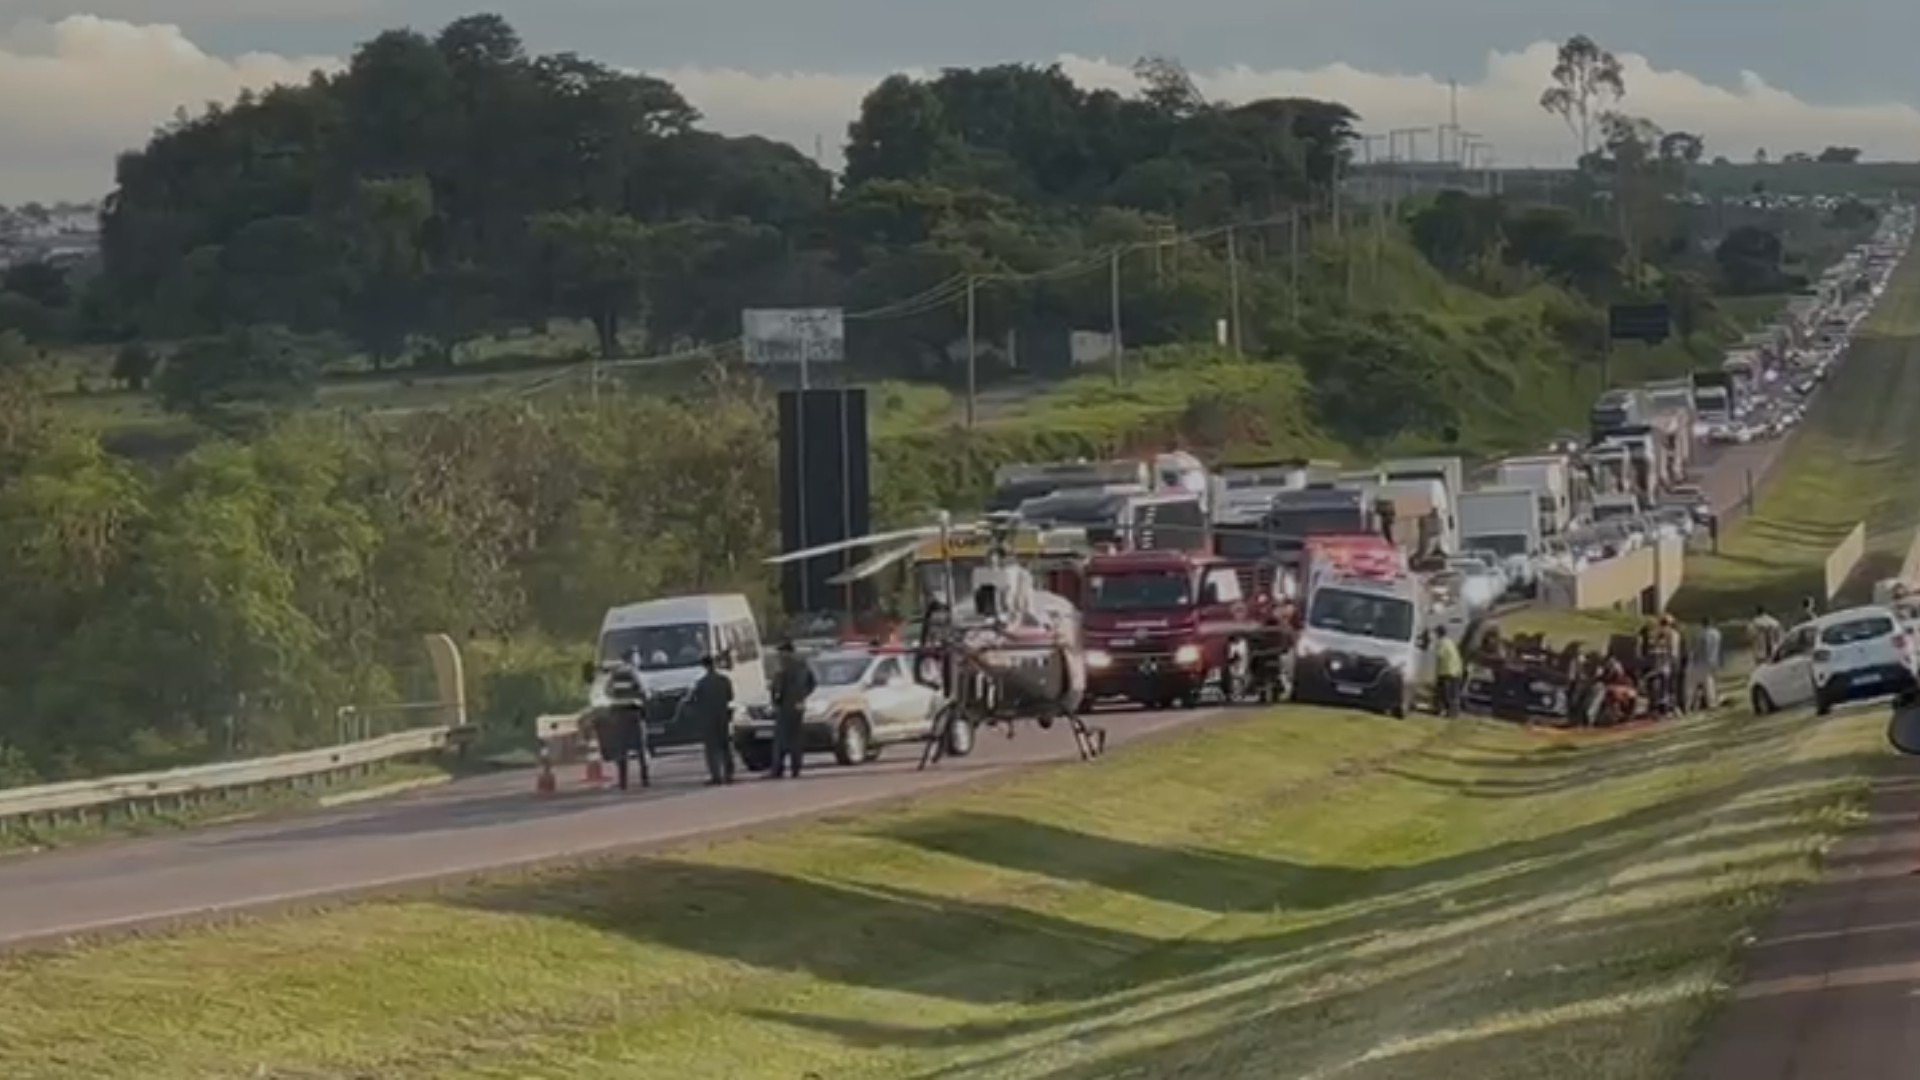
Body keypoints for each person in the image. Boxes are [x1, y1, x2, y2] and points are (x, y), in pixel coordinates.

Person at [767, 641, 815, 779]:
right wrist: (802, 696)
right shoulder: (802, 666)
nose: (779, 655)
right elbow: (812, 683)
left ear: (786, 652)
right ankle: (796, 768)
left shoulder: (783, 667)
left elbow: (778, 688)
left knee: (780, 739)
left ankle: (778, 769)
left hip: (785, 707)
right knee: (796, 739)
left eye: (780, 652)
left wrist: (776, 701)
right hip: (798, 706)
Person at [687, 654, 736, 786]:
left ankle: (716, 775)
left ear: (704, 666)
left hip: (708, 718)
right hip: (723, 715)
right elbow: (730, 697)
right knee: (725, 746)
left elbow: (693, 700)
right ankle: (729, 774)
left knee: (711, 748)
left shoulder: (701, 683)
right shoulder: (724, 680)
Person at [1686, 616, 1724, 713]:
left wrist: (1694, 659)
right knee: (1714, 682)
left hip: (1703, 661)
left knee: (1705, 683)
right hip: (1714, 660)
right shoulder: (1717, 633)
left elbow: (1699, 648)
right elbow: (1720, 648)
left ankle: (1704, 703)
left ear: (1703, 624)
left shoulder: (1701, 634)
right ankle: (1714, 701)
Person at [1431, 625, 1464, 718]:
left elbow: (1439, 656)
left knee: (1444, 693)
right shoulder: (1450, 642)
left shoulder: (1442, 643)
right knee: (1453, 694)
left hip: (1446, 671)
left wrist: (1436, 673)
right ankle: (1453, 712)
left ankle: (1445, 711)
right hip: (1455, 671)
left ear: (1438, 633)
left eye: (1435, 633)